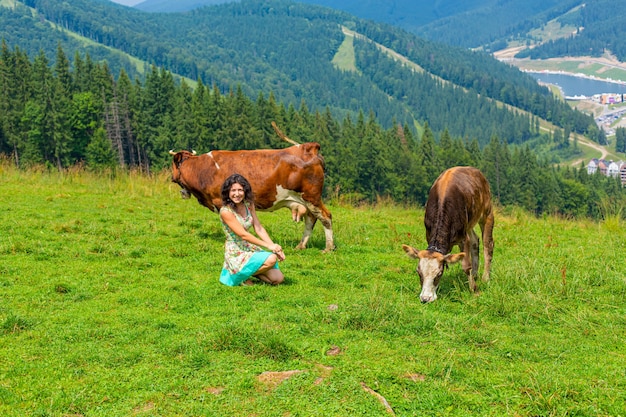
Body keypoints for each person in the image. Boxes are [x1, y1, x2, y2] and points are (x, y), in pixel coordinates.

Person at [218, 173, 285, 286]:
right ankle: (237, 276)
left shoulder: (248, 204)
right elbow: (243, 235)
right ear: (228, 192)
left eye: (240, 190)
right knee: (271, 259)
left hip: (248, 247)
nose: (237, 194)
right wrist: (268, 247)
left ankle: (245, 274)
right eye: (233, 190)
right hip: (236, 251)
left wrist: (275, 248)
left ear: (245, 191)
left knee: (277, 279)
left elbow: (258, 228)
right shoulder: (226, 211)